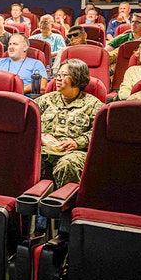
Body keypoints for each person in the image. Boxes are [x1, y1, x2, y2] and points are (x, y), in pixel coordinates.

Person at [37, 59, 103, 187]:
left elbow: (99, 133)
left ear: (77, 78)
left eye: (63, 75)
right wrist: (40, 137)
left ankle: (64, 198)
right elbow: (27, 121)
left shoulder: (93, 105)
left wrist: (77, 142)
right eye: (58, 75)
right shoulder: (47, 100)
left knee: (67, 165)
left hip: (74, 152)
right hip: (44, 149)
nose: (58, 79)